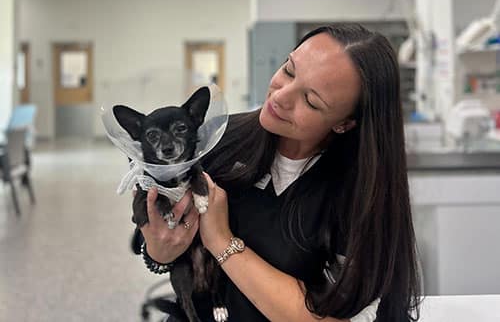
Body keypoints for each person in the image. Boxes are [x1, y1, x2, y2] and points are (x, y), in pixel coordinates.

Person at [139, 23, 422, 321]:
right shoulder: (215, 140)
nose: (281, 97)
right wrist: (159, 249)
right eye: (289, 70)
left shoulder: (359, 192)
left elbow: (333, 316)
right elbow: (161, 249)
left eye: (311, 101)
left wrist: (222, 241)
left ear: (345, 123)